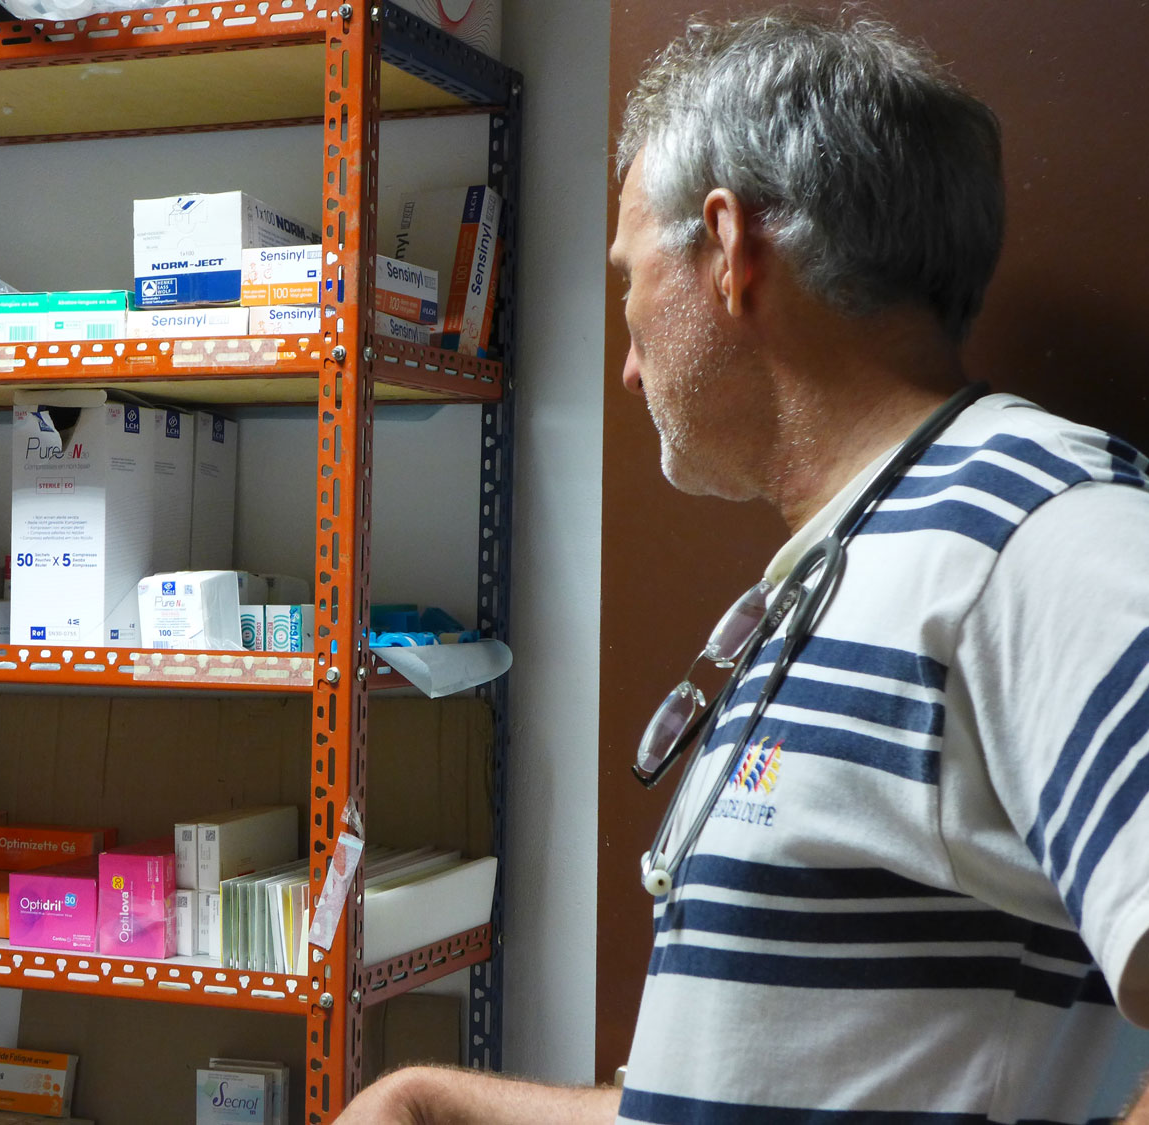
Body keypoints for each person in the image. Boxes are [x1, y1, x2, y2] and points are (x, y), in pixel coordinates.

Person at [337, 8, 1149, 1123]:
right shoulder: (843, 572)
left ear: (726, 249)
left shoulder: (1041, 537)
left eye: (630, 286)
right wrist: (437, 1103)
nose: (627, 369)